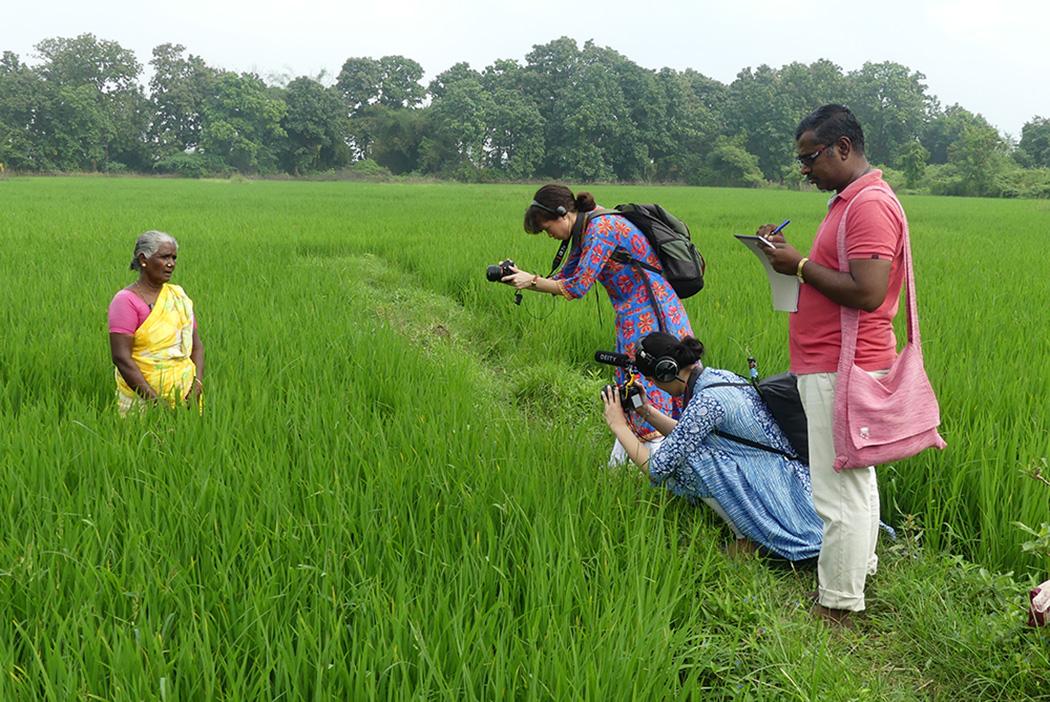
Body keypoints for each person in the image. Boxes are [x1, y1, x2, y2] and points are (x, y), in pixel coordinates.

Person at [757, 104, 908, 626]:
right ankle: (856, 574)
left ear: (843, 148)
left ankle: (838, 607)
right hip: (837, 361)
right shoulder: (849, 200)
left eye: (811, 157)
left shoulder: (867, 205)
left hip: (842, 365)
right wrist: (787, 255)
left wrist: (797, 264)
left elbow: (867, 292)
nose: (805, 169)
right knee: (857, 480)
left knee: (836, 489)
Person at [504, 184, 695, 461]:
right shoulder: (586, 229)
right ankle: (634, 452)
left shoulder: (601, 229)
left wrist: (530, 281)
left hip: (652, 313)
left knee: (651, 379)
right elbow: (565, 277)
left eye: (548, 229)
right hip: (633, 313)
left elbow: (577, 286)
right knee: (631, 379)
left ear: (562, 214)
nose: (550, 235)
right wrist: (522, 277)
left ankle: (657, 459)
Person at [600, 332, 823, 563]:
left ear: (666, 371)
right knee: (689, 450)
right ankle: (748, 528)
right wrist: (646, 411)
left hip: (791, 509)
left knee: (687, 462)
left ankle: (750, 536)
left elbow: (657, 467)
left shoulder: (706, 402)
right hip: (795, 483)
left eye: (653, 380)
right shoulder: (717, 377)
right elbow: (689, 432)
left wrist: (618, 425)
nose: (654, 385)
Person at [108, 231, 204, 415]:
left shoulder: (178, 297)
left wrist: (196, 387)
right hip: (142, 401)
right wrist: (155, 402)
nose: (171, 264)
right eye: (164, 257)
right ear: (143, 259)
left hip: (186, 396)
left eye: (174, 258)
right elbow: (121, 357)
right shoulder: (125, 301)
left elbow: (197, 346)